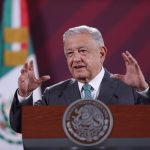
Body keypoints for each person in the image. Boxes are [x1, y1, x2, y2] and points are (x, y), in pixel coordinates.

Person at [9, 25, 150, 133]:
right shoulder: (53, 94)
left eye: (83, 51)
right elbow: (23, 127)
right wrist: (24, 95)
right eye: (70, 53)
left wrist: (144, 90)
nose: (76, 59)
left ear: (101, 53)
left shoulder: (131, 90)